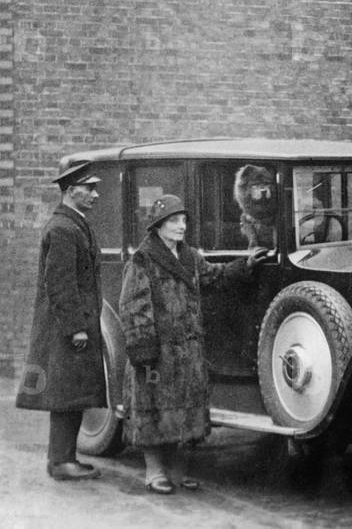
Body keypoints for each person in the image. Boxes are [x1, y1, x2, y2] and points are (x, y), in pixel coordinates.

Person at [119, 194, 269, 494]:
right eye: (174, 221)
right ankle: (154, 472)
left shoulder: (189, 256)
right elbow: (133, 307)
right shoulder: (143, 259)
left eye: (183, 220)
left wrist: (246, 265)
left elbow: (215, 277)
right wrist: (144, 350)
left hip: (188, 352)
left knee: (186, 411)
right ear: (158, 225)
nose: (181, 226)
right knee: (152, 410)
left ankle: (177, 471)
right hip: (156, 352)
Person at [16, 160, 106, 481]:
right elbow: (60, 284)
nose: (95, 194)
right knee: (67, 395)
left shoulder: (74, 224)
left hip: (73, 328)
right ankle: (60, 462)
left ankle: (64, 459)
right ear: (70, 191)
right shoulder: (63, 229)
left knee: (72, 393)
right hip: (67, 331)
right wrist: (76, 328)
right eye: (89, 188)